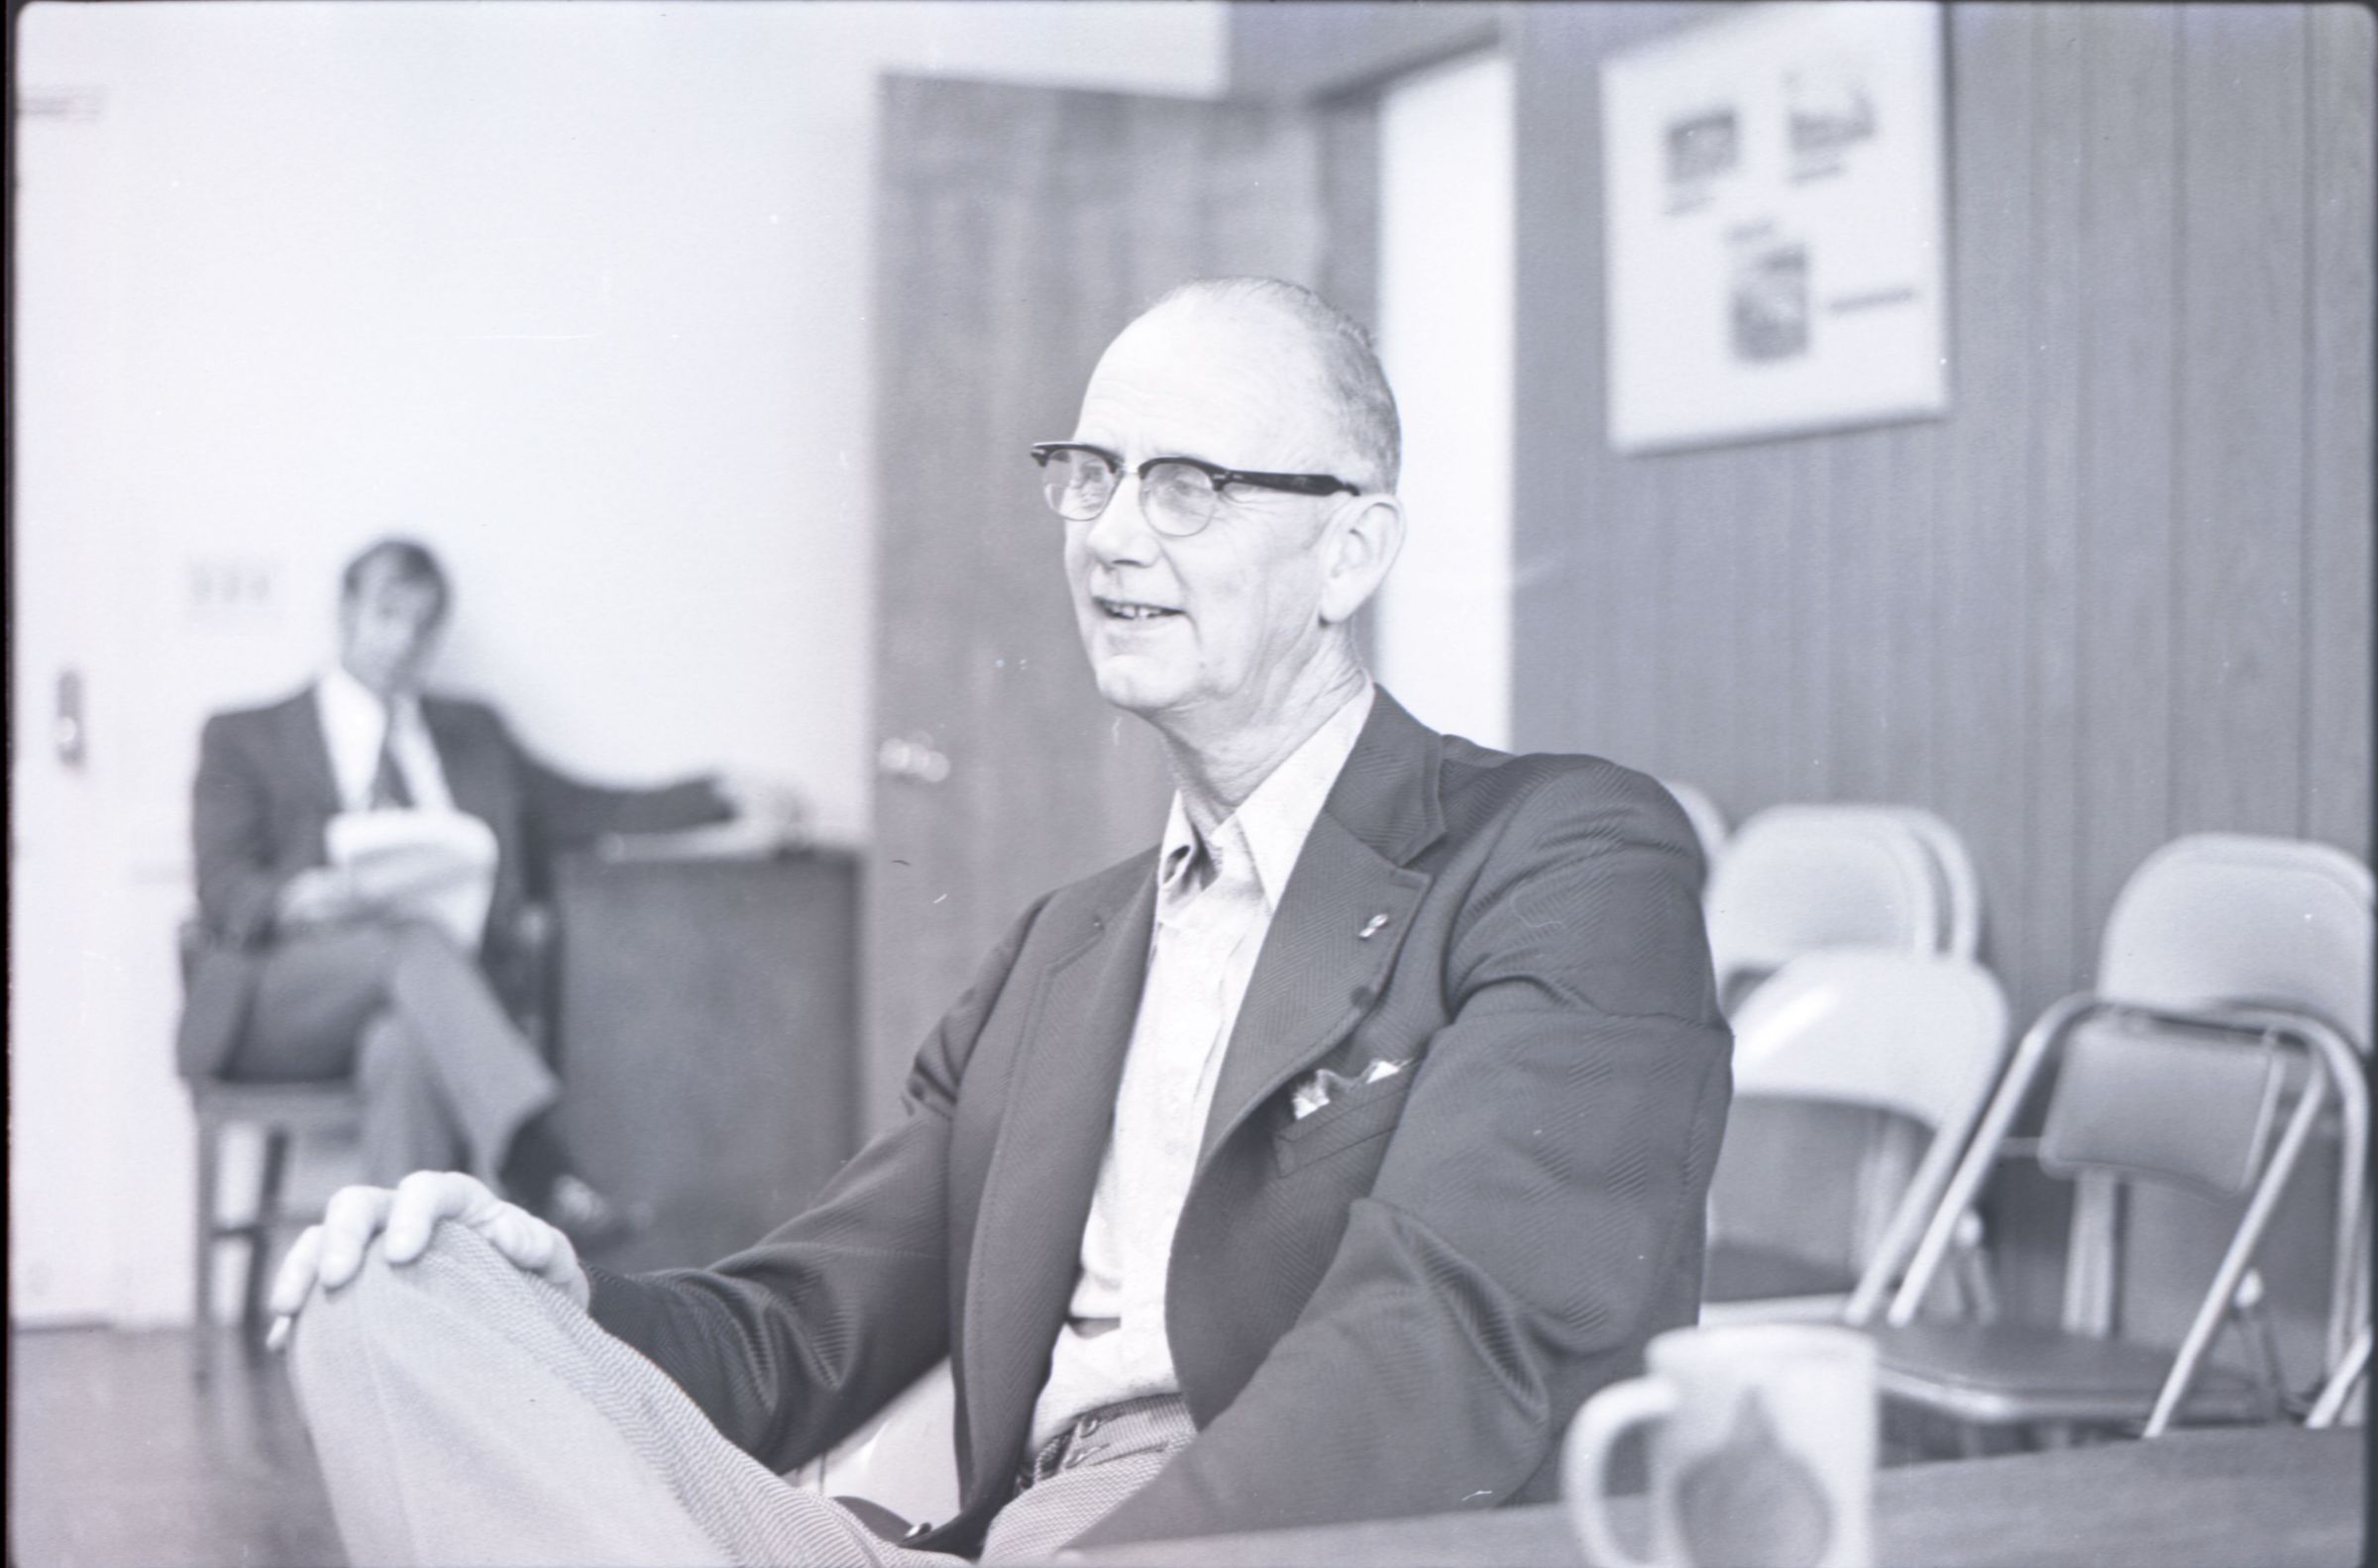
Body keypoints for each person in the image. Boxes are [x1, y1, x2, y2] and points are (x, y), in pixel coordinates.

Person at [270, 278, 1731, 1564]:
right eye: (1090, 476)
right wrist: (561, 1299)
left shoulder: (1563, 853)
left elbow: (1444, 1350)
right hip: (1002, 1531)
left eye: (1188, 484)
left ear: (1350, 550)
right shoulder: (1061, 952)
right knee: (385, 1290)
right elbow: (797, 1333)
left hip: (1278, 1537)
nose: (1110, 536)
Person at [183, 537, 779, 1240]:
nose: (403, 641)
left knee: (403, 1046)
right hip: (286, 1001)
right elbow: (222, 885)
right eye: (387, 614)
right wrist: (296, 898)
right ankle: (538, 1165)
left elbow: (583, 809)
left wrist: (719, 796)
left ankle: (398, 1283)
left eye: (423, 624)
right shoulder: (247, 735)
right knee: (411, 941)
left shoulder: (473, 735)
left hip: (426, 1003)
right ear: (345, 612)